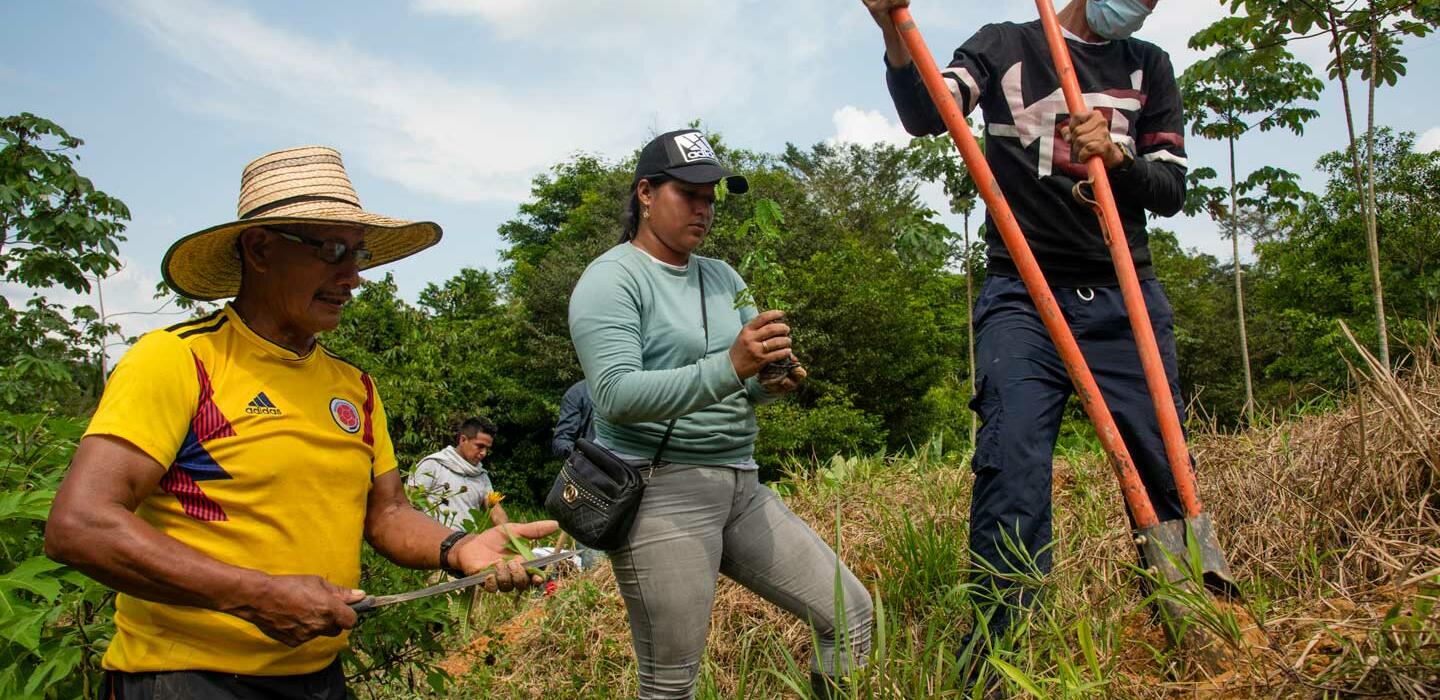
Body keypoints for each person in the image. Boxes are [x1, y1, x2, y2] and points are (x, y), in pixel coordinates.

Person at [43, 146, 556, 699]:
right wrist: (255, 595)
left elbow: (386, 512)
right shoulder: (179, 360)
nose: (353, 277)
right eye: (333, 250)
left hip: (317, 678)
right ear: (260, 248)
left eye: (357, 253)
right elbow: (81, 525)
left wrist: (459, 548)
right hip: (187, 678)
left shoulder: (352, 387)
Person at [862, 0, 1188, 652]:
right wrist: (893, 30)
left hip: (1126, 294)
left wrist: (1119, 158)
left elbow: (1172, 190)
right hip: (1024, 293)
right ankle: (996, 658)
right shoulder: (1005, 44)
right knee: (1011, 465)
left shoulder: (1148, 65)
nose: (1143, 7)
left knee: (1166, 471)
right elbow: (930, 113)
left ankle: (1192, 627)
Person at [568, 129, 873, 700]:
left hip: (740, 484)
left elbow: (743, 383)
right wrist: (733, 366)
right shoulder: (611, 279)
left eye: (712, 196)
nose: (705, 209)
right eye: (690, 193)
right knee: (670, 684)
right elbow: (612, 394)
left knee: (850, 617)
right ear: (646, 194)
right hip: (660, 491)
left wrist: (769, 380)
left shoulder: (723, 276)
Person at [408, 415, 508, 527]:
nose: (484, 453)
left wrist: (511, 535)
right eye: (480, 446)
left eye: (487, 449)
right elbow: (413, 504)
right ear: (463, 440)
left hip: (468, 541)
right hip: (432, 539)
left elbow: (495, 511)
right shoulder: (434, 464)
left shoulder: (481, 476)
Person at [551, 379, 596, 458]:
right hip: (588, 463)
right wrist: (576, 458)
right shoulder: (577, 393)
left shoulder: (622, 391)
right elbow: (563, 438)